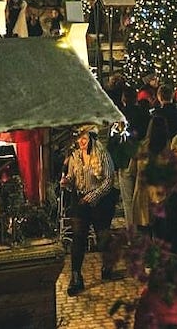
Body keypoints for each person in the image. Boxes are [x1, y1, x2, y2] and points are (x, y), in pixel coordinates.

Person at [61, 125, 117, 296]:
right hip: (80, 201)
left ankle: (108, 263)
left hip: (100, 202)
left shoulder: (102, 155)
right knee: (78, 237)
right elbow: (72, 177)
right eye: (79, 138)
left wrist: (93, 196)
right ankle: (76, 276)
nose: (81, 141)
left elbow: (108, 181)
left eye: (84, 137)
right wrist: (66, 182)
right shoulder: (75, 156)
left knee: (103, 236)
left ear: (91, 137)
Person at [129, 115, 170, 235]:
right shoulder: (169, 149)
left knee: (144, 235)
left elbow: (131, 170)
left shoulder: (141, 147)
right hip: (161, 196)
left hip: (142, 195)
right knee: (160, 235)